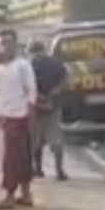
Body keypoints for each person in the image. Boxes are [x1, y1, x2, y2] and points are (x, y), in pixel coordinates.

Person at [0, 28, 36, 209]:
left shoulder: (22, 65)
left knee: (13, 158)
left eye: (8, 42)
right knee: (16, 156)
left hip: (18, 115)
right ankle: (25, 194)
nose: (4, 47)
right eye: (1, 43)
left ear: (15, 45)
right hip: (3, 116)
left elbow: (31, 90)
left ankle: (11, 195)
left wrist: (30, 114)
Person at [26, 39, 68, 180]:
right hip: (53, 107)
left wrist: (39, 97)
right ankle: (59, 171)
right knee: (55, 139)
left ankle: (37, 169)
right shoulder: (56, 63)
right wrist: (53, 93)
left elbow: (27, 87)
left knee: (35, 140)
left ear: (31, 52)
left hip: (36, 108)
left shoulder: (29, 65)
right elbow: (65, 80)